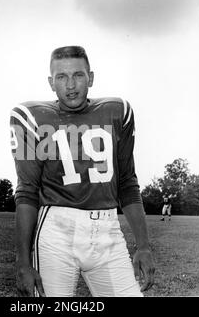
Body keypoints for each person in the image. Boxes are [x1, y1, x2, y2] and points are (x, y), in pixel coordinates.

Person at [10, 46, 155, 297]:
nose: (70, 85)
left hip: (108, 233)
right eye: (61, 77)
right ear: (50, 82)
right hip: (55, 235)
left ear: (91, 77)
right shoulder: (30, 117)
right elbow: (27, 191)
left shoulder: (117, 112)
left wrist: (143, 245)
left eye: (78, 75)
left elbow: (127, 183)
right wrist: (23, 261)